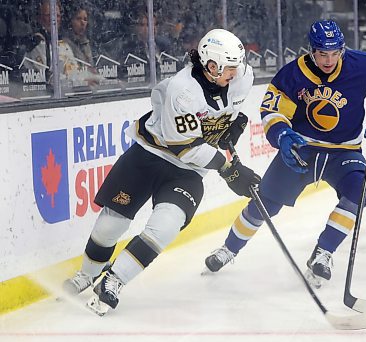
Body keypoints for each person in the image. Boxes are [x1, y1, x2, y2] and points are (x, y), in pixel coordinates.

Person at [63, 28, 261, 315]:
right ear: (211, 65)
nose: (236, 72)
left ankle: (114, 281)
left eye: (236, 66)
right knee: (110, 225)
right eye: (229, 67)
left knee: (166, 225)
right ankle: (87, 274)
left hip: (187, 174)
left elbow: (229, 114)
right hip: (149, 157)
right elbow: (187, 148)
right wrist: (228, 168)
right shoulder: (183, 91)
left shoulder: (242, 76)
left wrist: (233, 126)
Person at [204, 20, 366, 288]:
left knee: (360, 190)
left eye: (335, 53)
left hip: (344, 151)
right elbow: (272, 112)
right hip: (303, 149)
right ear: (311, 51)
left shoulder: (362, 65)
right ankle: (229, 249)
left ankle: (323, 253)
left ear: (343, 49)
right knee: (265, 203)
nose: (329, 59)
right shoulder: (292, 75)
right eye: (323, 53)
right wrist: (283, 136)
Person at [23, 0, 78, 78]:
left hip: (67, 89)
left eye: (57, 16)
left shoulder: (64, 44)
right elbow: (47, 76)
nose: (54, 19)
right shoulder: (37, 42)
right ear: (40, 18)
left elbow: (75, 72)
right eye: (48, 15)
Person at [62, 1, 94, 66]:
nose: (82, 23)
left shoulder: (88, 43)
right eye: (78, 19)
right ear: (71, 21)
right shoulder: (64, 44)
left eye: (85, 19)